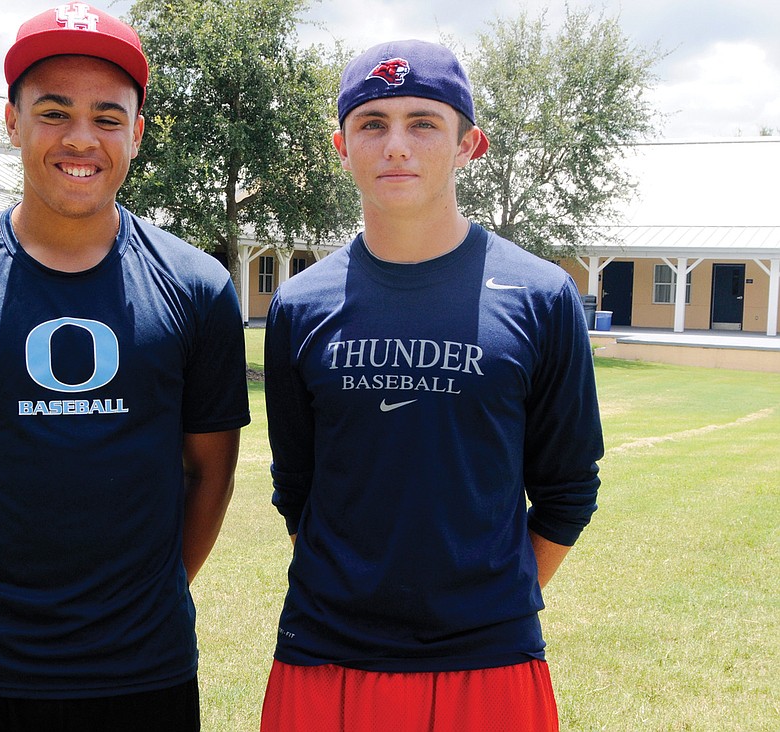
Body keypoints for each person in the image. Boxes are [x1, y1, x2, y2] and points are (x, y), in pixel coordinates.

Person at [0, 5, 250, 730]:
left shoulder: (198, 288)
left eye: (109, 116)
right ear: (11, 122)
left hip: (149, 669)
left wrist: (151, 594)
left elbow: (212, 473)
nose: (82, 138)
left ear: (137, 131)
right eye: (53, 112)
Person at [260, 39, 603, 731]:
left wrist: (484, 602)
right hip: (327, 656)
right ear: (341, 144)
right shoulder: (299, 305)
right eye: (373, 123)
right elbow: (297, 489)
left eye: (423, 122)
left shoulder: (539, 295)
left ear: (468, 144)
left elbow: (568, 488)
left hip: (490, 660)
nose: (396, 146)